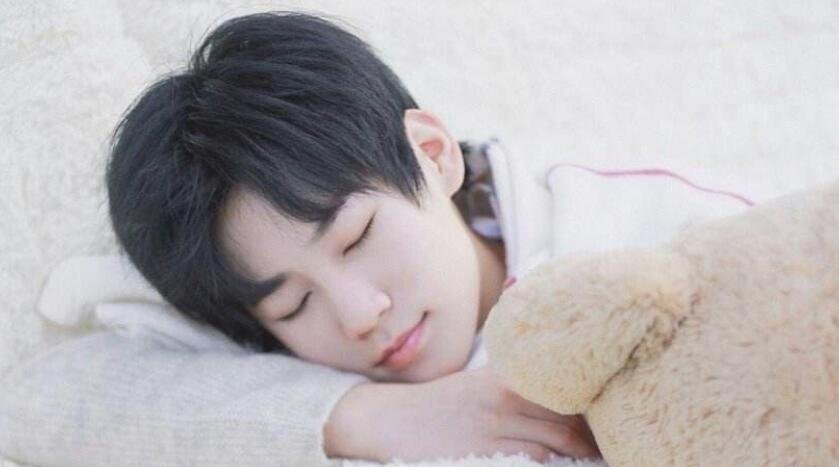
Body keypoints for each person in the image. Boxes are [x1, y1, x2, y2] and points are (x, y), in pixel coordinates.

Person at [0, 10, 757, 467]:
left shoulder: (646, 229)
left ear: (433, 153)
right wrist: (363, 414)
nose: (359, 314)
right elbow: (46, 400)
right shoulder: (282, 351)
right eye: (293, 304)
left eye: (357, 237)